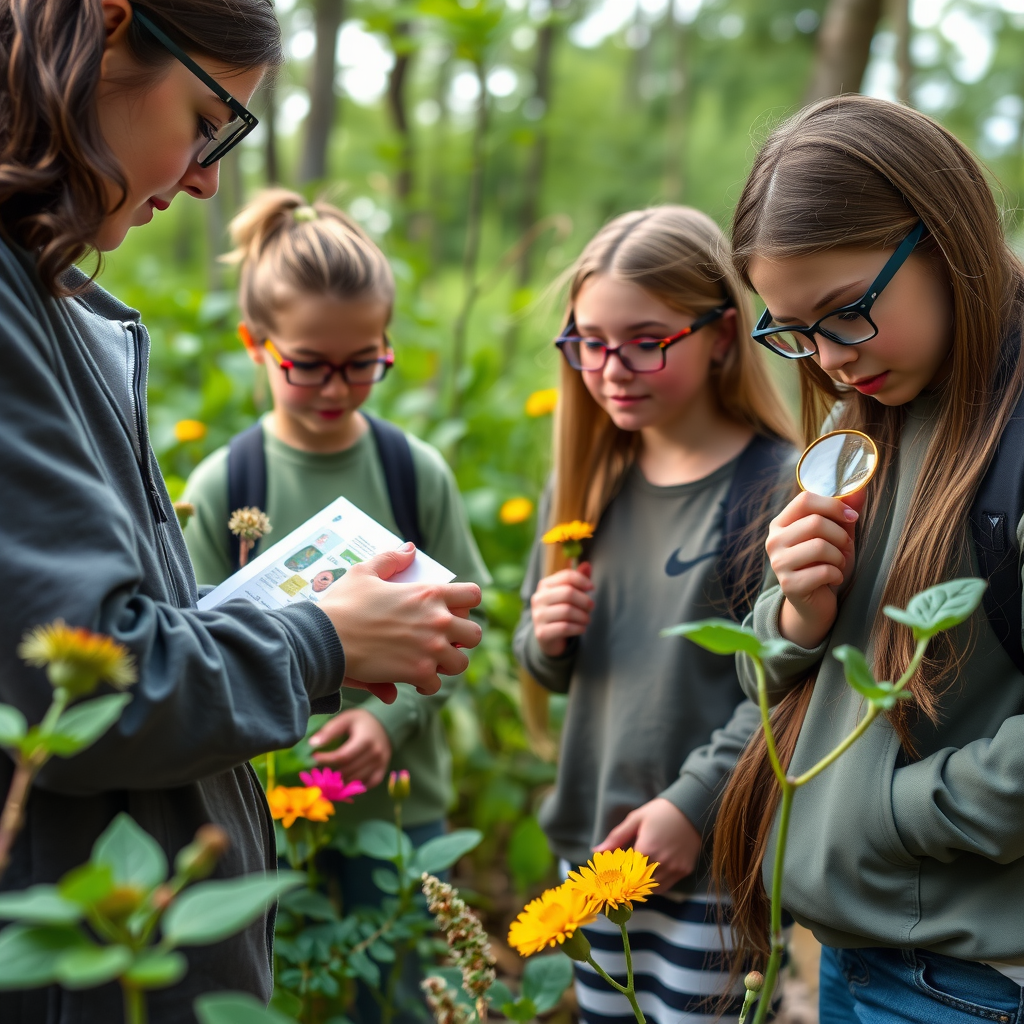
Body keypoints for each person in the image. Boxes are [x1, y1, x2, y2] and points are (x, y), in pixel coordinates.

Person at [0, 4, 481, 1021]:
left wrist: (327, 640)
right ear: (108, 31)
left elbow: (113, 633)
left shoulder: (43, 299)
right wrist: (314, 640)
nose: (211, 175)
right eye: (211, 117)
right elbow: (96, 689)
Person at [717, 93, 1024, 1023]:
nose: (825, 361)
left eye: (844, 312)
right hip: (852, 957)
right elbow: (760, 681)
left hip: (965, 980)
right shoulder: (867, 418)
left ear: (945, 236)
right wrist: (790, 619)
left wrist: (896, 817)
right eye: (791, 331)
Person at [182, 188, 490, 1023]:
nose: (336, 386)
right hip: (275, 809)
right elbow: (200, 648)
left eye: (363, 362)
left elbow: (468, 621)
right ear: (256, 344)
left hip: (400, 810)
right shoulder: (227, 485)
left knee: (408, 992)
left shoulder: (412, 472)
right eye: (309, 362)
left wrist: (390, 724)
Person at [512, 206, 798, 1024]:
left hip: (715, 861)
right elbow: (545, 665)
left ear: (720, 335)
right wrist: (546, 635)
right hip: (597, 852)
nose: (610, 367)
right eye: (588, 342)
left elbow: (788, 687)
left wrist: (693, 803)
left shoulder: (772, 489)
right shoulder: (585, 485)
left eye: (645, 339)